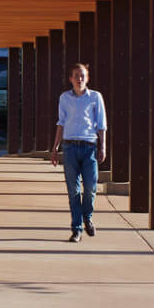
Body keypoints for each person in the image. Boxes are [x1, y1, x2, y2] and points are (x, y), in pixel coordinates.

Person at [50, 61, 106, 241]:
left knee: (90, 188)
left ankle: (87, 218)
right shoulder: (64, 98)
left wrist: (103, 146)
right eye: (76, 76)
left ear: (87, 78)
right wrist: (55, 148)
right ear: (71, 79)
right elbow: (61, 123)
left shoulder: (95, 97)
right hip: (70, 147)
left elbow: (101, 124)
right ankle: (77, 229)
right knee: (73, 191)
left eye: (83, 76)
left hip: (89, 147)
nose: (80, 79)